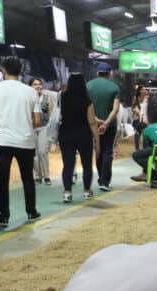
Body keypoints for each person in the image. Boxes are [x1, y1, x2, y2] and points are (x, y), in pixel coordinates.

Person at [0, 56, 42, 228]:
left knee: (2, 179)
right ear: (21, 72)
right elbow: (37, 121)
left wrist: (3, 125)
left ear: (3, 70)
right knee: (27, 178)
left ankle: (3, 217)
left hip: (1, 141)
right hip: (25, 140)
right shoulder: (31, 91)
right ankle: (31, 211)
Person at [57, 73, 100, 203]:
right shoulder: (87, 100)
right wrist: (97, 140)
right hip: (83, 134)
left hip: (66, 133)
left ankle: (67, 192)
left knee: (68, 164)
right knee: (87, 164)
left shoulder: (62, 97)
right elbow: (92, 122)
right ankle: (87, 191)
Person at [86, 63, 120, 192]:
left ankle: (100, 178)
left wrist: (95, 120)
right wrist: (106, 123)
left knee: (97, 150)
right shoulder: (114, 87)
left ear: (97, 73)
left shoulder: (88, 86)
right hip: (109, 125)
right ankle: (104, 181)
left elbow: (85, 106)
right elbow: (115, 109)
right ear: (109, 73)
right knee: (107, 151)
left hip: (92, 124)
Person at [29, 78, 54, 185]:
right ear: (30, 86)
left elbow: (51, 115)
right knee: (34, 153)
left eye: (39, 84)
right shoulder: (28, 99)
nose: (38, 86)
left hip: (44, 127)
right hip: (31, 128)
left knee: (43, 151)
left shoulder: (48, 98)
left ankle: (47, 176)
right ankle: (37, 176)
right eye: (35, 84)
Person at [131, 84, 149, 151]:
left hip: (145, 119)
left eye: (145, 89)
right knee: (137, 134)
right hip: (137, 118)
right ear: (140, 91)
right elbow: (132, 108)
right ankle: (137, 149)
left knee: (145, 134)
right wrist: (138, 113)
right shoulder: (136, 98)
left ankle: (145, 149)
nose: (145, 90)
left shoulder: (147, 98)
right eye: (143, 89)